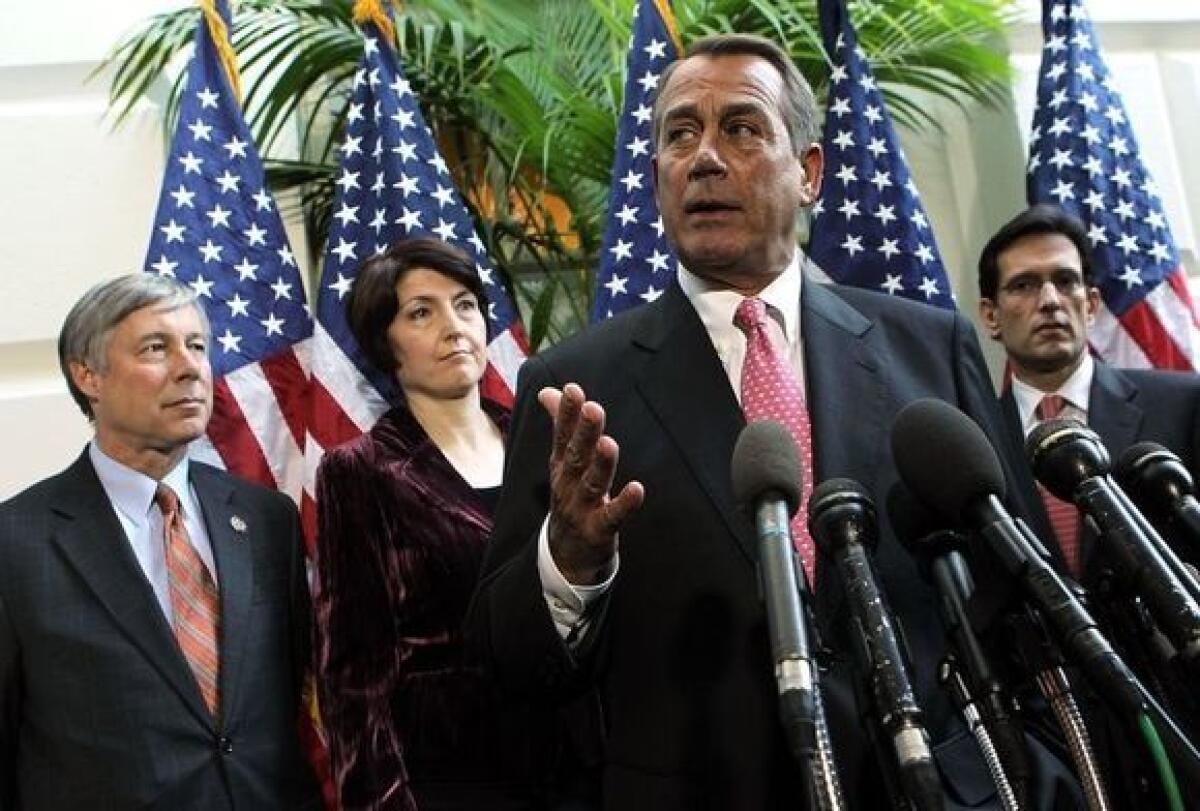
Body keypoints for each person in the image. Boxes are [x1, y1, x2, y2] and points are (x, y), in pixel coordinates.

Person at [470, 34, 1078, 809]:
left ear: (810, 172)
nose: (706, 158)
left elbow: (1023, 603)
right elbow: (504, 658)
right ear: (656, 177)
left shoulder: (930, 347)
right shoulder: (576, 388)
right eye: (679, 135)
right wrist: (570, 561)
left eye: (742, 128)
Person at [0, 274, 321, 810]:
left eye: (197, 346)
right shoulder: (17, 543)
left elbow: (288, 702)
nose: (190, 367)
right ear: (88, 377)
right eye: (156, 348)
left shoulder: (267, 519)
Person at [314, 238, 570, 811]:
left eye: (465, 305)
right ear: (387, 345)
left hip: (576, 764)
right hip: (450, 781)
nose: (454, 327)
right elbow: (353, 679)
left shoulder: (546, 441)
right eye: (421, 313)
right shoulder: (360, 471)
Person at [977, 203, 1200, 577]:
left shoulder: (1183, 405)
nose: (1049, 301)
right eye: (1024, 285)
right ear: (990, 315)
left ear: (1091, 304)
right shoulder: (976, 440)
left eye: (1065, 281)